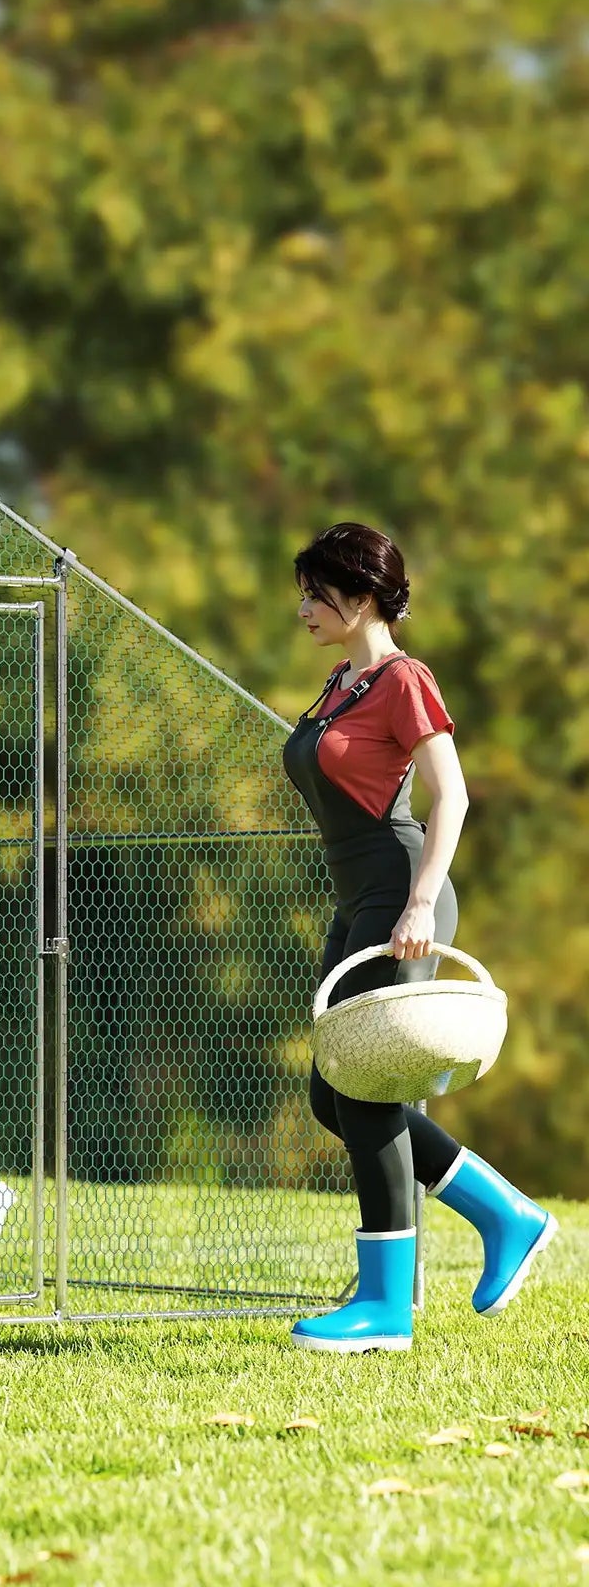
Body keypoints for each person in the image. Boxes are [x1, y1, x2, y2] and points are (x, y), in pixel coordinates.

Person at [285, 522, 555, 1354]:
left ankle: (385, 1307)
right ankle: (505, 1215)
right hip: (358, 900)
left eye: (317, 592)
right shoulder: (341, 682)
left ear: (363, 596)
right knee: (331, 1093)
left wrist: (420, 903)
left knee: (365, 1088)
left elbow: (453, 796)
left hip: (402, 894)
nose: (303, 608)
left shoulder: (404, 679)